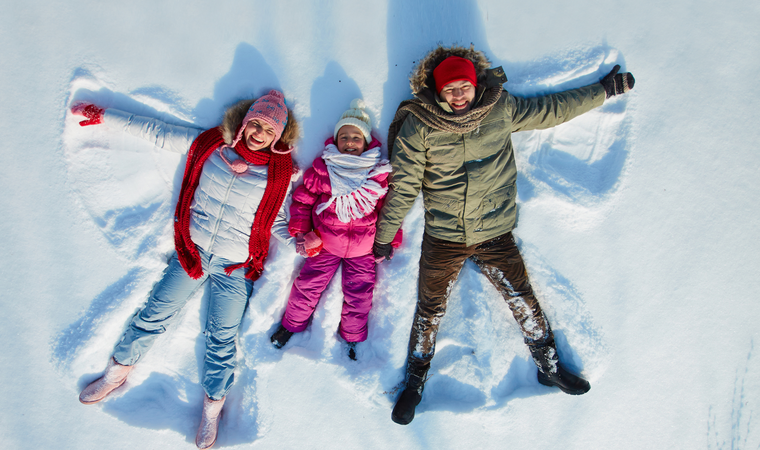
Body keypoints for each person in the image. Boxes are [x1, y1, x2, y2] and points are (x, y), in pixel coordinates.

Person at [373, 45, 635, 425]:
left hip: (494, 230)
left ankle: (548, 364)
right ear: (437, 91)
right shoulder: (420, 125)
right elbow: (405, 185)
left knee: (522, 297)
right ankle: (415, 382)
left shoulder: (499, 108)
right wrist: (385, 235)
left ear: (476, 84)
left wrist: (605, 90)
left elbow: (552, 109)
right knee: (430, 308)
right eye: (450, 89)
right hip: (444, 236)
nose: (459, 95)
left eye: (464, 86)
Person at [72, 90, 299, 449]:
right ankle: (117, 372)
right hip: (192, 251)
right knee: (154, 313)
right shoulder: (211, 144)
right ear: (243, 122)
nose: (258, 133)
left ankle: (212, 408)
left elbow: (279, 221)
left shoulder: (279, 175)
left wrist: (301, 243)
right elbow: (158, 132)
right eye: (254, 123)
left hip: (233, 266)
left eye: (268, 130)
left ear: (278, 136)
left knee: (222, 338)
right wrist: (105, 116)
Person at [269, 99, 401, 360]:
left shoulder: (376, 173)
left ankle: (352, 337)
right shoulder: (323, 168)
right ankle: (291, 325)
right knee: (307, 286)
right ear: (336, 140)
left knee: (359, 294)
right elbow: (304, 199)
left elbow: (388, 209)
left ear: (366, 141)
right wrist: (301, 230)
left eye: (356, 137)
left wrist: (390, 239)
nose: (350, 142)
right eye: (344, 137)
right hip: (325, 244)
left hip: (363, 249)